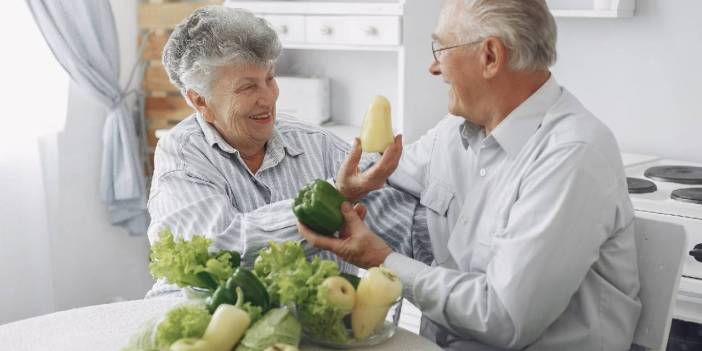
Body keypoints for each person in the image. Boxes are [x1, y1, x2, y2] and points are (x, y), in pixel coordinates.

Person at [298, 0, 641, 349]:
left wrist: (382, 260)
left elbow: (502, 318)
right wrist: (350, 190)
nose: (434, 67)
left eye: (441, 49)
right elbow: (383, 190)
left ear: (490, 57)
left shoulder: (571, 154)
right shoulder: (454, 133)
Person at [145, 6, 432, 297]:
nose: (267, 98)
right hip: (200, 331)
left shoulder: (316, 144)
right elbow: (220, 249)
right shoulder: (181, 156)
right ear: (201, 101)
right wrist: (333, 198)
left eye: (269, 78)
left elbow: (397, 220)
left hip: (306, 335)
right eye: (248, 87)